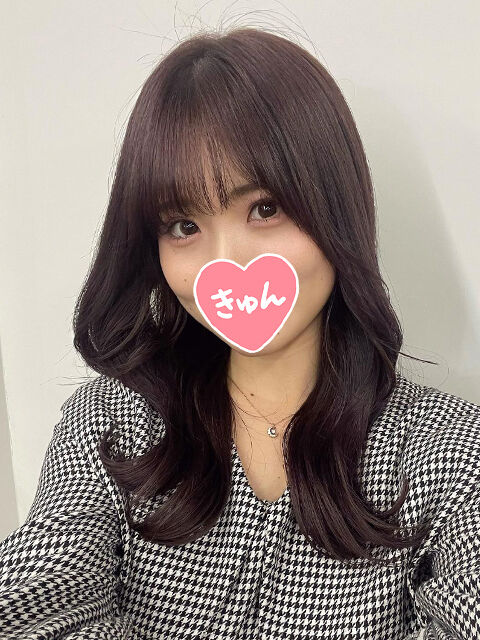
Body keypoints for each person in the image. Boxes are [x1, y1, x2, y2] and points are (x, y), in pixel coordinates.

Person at [1, 26, 479, 640]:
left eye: (264, 208)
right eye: (182, 225)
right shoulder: (109, 424)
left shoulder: (449, 452)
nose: (225, 264)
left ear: (337, 206)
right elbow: (37, 599)